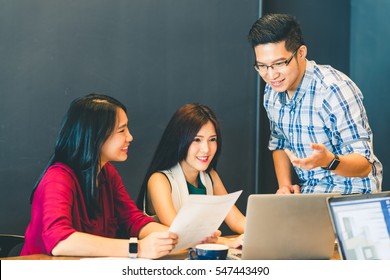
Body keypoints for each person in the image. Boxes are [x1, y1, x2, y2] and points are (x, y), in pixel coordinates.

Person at [21, 94, 178, 259]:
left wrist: (178, 236)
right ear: (96, 135)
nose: (130, 137)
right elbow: (60, 242)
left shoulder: (107, 172)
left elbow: (133, 220)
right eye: (121, 130)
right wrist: (138, 248)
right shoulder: (58, 178)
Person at [247, 14, 382, 194]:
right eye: (262, 66)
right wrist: (285, 186)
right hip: (310, 194)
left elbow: (365, 165)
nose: (271, 75)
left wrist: (328, 160)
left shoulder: (334, 90)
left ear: (301, 53)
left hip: (352, 195)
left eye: (279, 63)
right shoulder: (272, 92)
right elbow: (279, 144)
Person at [137, 103, 245, 248]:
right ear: (179, 140)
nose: (206, 149)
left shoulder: (210, 176)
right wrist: (227, 242)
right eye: (197, 140)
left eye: (212, 139)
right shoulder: (159, 180)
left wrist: (264, 232)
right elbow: (180, 234)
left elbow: (237, 220)